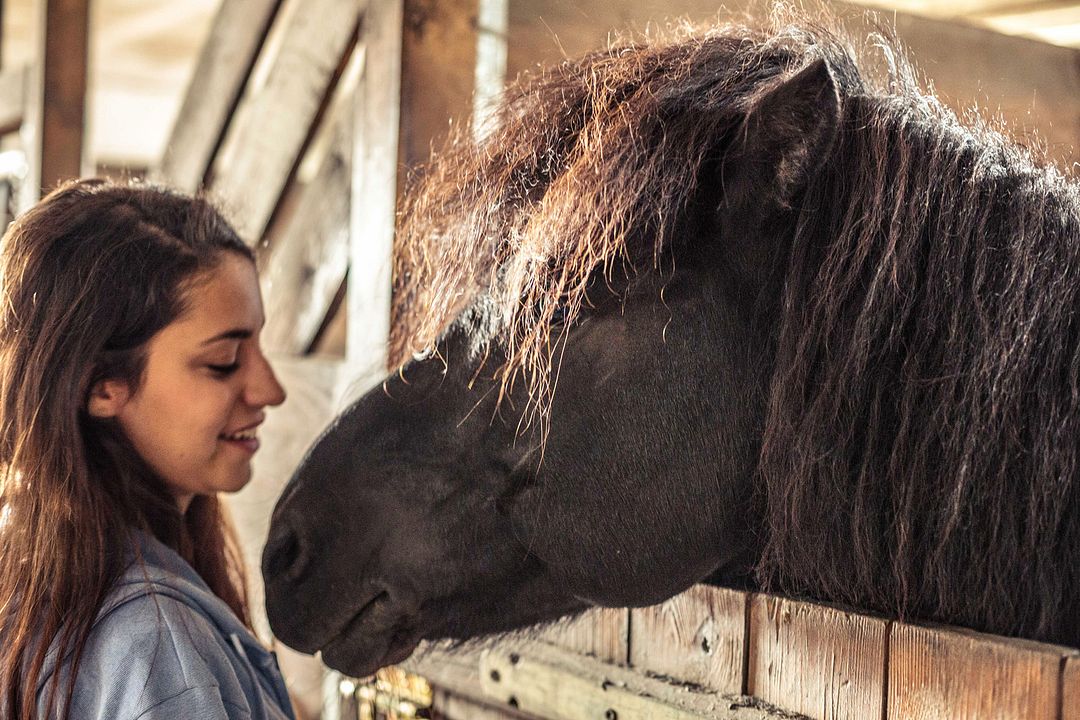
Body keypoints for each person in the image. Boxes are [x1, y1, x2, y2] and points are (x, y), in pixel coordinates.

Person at [0, 178, 294, 719]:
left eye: (259, 345)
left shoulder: (27, 562)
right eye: (223, 362)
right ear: (101, 385)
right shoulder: (160, 652)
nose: (269, 390)